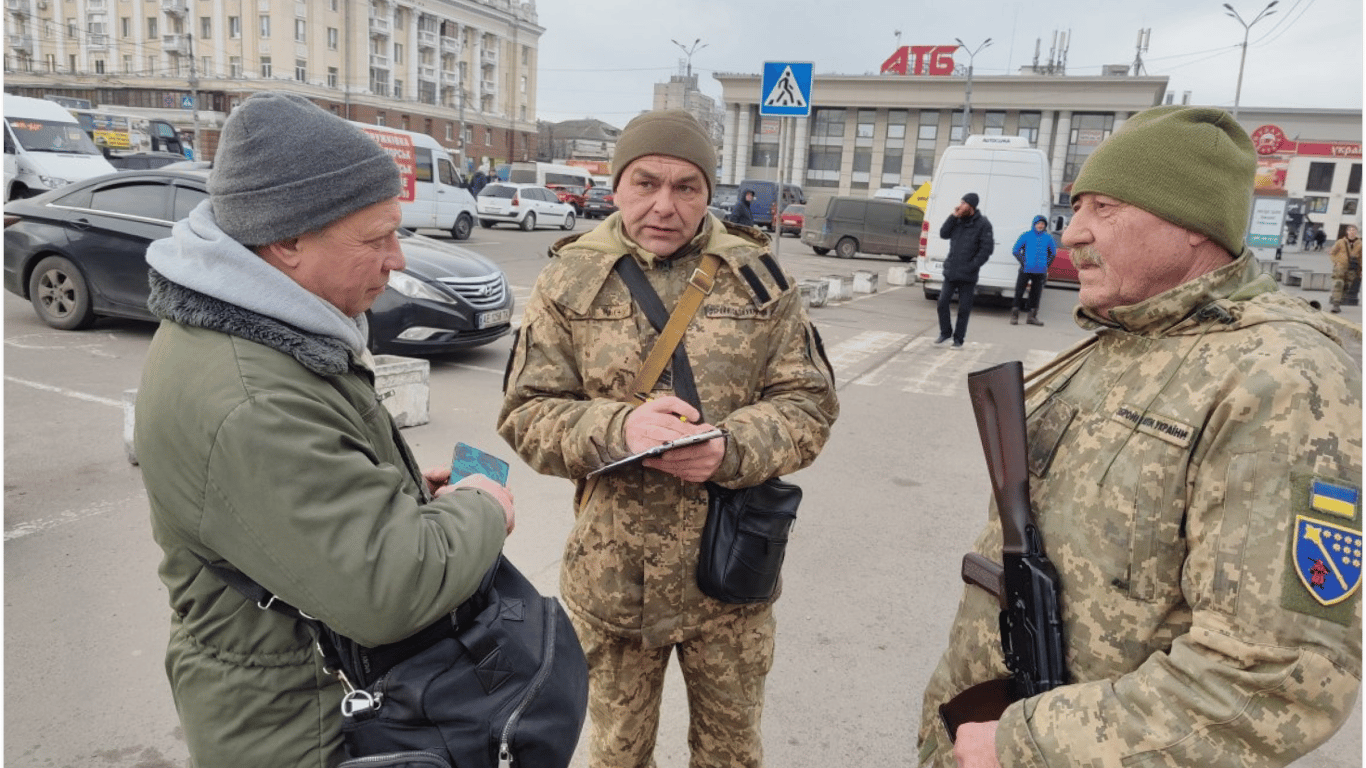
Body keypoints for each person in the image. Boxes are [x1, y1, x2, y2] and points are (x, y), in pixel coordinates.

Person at [918, 106, 1362, 768]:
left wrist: (1023, 742)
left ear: (1192, 226)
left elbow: (1271, 679)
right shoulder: (1129, 337)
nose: (1074, 233)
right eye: (1076, 206)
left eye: (1105, 207)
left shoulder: (1284, 379)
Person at [133, 92, 515, 768]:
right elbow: (386, 589)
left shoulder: (263, 329)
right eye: (376, 239)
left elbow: (302, 501)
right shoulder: (250, 395)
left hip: (305, 692)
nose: (397, 258)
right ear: (285, 241)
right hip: (297, 727)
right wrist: (483, 507)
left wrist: (398, 499)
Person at [498, 109, 839, 768]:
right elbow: (526, 412)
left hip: (730, 578)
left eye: (687, 186)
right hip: (613, 581)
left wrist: (730, 448)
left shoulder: (758, 279)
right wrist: (616, 427)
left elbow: (809, 404)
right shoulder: (570, 281)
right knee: (616, 756)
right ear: (616, 185)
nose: (665, 204)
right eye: (646, 182)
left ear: (709, 193)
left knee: (731, 755)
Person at [936, 192, 994, 348]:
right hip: (951, 271)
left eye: (963, 203)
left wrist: (972, 265)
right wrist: (953, 216)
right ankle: (945, 332)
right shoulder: (957, 220)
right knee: (942, 302)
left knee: (964, 308)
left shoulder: (983, 224)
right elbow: (943, 234)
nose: (959, 206)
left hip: (968, 274)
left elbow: (986, 249)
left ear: (971, 206)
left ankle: (958, 339)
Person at [1008, 215, 1055, 325]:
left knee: (1036, 294)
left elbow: (1053, 253)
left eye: (1043, 224)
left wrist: (1046, 265)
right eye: (1038, 223)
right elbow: (1015, 250)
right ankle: (1014, 316)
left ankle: (1031, 317)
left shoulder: (1048, 238)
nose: (1040, 226)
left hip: (1040, 271)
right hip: (1026, 269)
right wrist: (1024, 262)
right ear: (1034, 224)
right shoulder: (1026, 235)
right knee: (1019, 292)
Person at [1328, 224, 1361, 313]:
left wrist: (1361, 270)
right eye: (1350, 230)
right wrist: (1336, 262)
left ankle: (1339, 300)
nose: (1352, 232)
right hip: (1340, 267)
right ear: (1347, 232)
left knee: (1346, 287)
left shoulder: (1360, 244)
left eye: (1353, 230)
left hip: (1352, 269)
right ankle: (1336, 304)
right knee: (1338, 284)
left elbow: (1361, 258)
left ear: (1356, 232)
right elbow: (1332, 253)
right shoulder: (1340, 242)